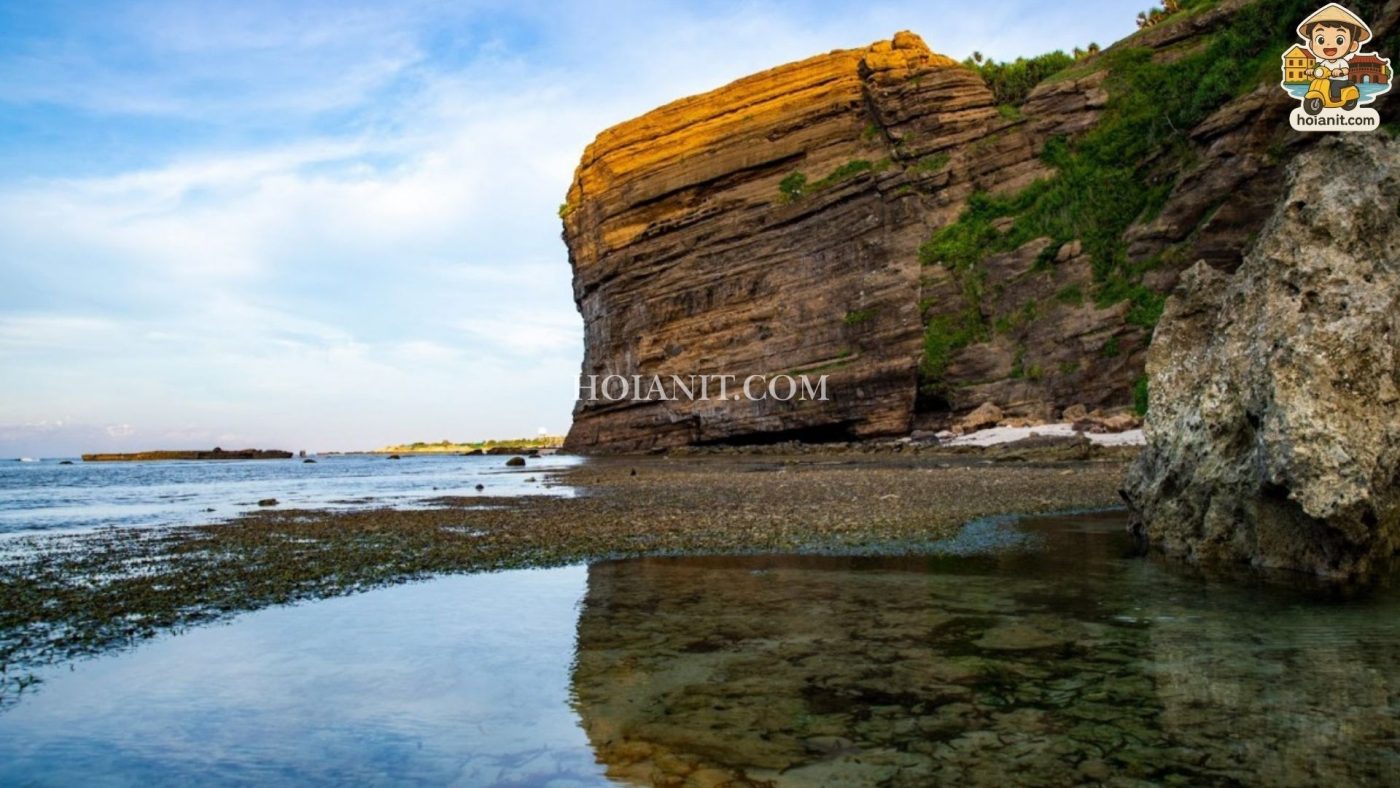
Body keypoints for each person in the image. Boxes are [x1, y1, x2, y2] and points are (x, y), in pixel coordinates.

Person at [1298, 3, 1372, 103]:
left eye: (1339, 40)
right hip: (1326, 80)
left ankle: (1336, 99)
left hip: (1340, 80)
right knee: (1317, 83)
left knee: (1334, 86)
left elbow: (1346, 70)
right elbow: (1318, 67)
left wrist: (1340, 72)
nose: (1328, 44)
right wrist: (1311, 70)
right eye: (1321, 40)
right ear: (1311, 44)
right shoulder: (1324, 62)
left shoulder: (1341, 62)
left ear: (1353, 45)